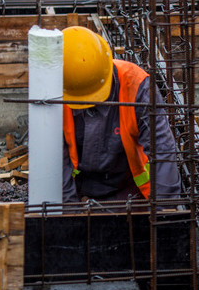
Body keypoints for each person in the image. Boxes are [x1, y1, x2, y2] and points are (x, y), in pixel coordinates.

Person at [61, 26, 181, 206]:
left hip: (129, 190)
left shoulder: (136, 86)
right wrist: (68, 214)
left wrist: (165, 211)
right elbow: (55, 163)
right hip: (77, 189)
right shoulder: (56, 90)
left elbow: (162, 150)